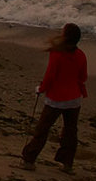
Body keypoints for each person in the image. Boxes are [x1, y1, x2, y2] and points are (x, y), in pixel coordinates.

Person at [20, 22, 87, 172]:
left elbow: (50, 76)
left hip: (56, 98)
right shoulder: (81, 55)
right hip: (74, 98)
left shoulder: (57, 54)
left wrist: (41, 89)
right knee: (70, 132)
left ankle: (29, 159)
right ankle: (67, 163)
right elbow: (83, 77)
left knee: (42, 130)